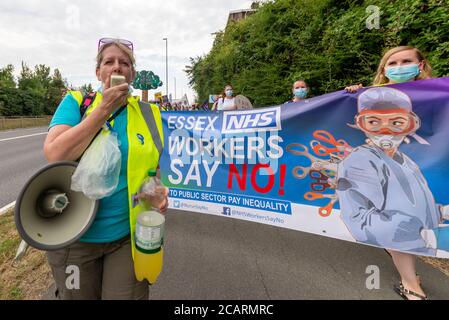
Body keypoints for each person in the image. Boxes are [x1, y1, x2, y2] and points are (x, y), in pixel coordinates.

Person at [43, 38, 168, 300]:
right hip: (74, 239)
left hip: (126, 238)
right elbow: (56, 154)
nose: (116, 67)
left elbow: (152, 170)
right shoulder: (77, 102)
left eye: (124, 63)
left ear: (131, 73)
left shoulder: (149, 114)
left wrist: (156, 191)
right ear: (98, 72)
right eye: (108, 62)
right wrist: (104, 109)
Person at [342, 46, 436, 300]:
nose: (400, 66)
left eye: (407, 61)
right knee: (396, 223)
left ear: (420, 65)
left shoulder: (437, 96)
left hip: (409, 177)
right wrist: (350, 94)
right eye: (393, 63)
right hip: (388, 220)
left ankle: (409, 274)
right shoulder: (363, 159)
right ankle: (411, 286)